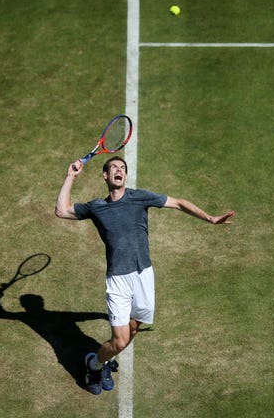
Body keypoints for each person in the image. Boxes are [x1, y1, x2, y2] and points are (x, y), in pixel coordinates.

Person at [55, 156, 235, 395]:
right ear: (105, 176)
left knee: (133, 331)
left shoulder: (139, 197)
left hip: (144, 275)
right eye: (113, 168)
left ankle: (105, 360)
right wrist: (71, 176)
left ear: (125, 176)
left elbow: (179, 203)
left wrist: (210, 218)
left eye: (122, 168)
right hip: (118, 279)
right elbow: (62, 210)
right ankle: (94, 364)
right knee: (119, 341)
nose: (119, 170)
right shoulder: (97, 207)